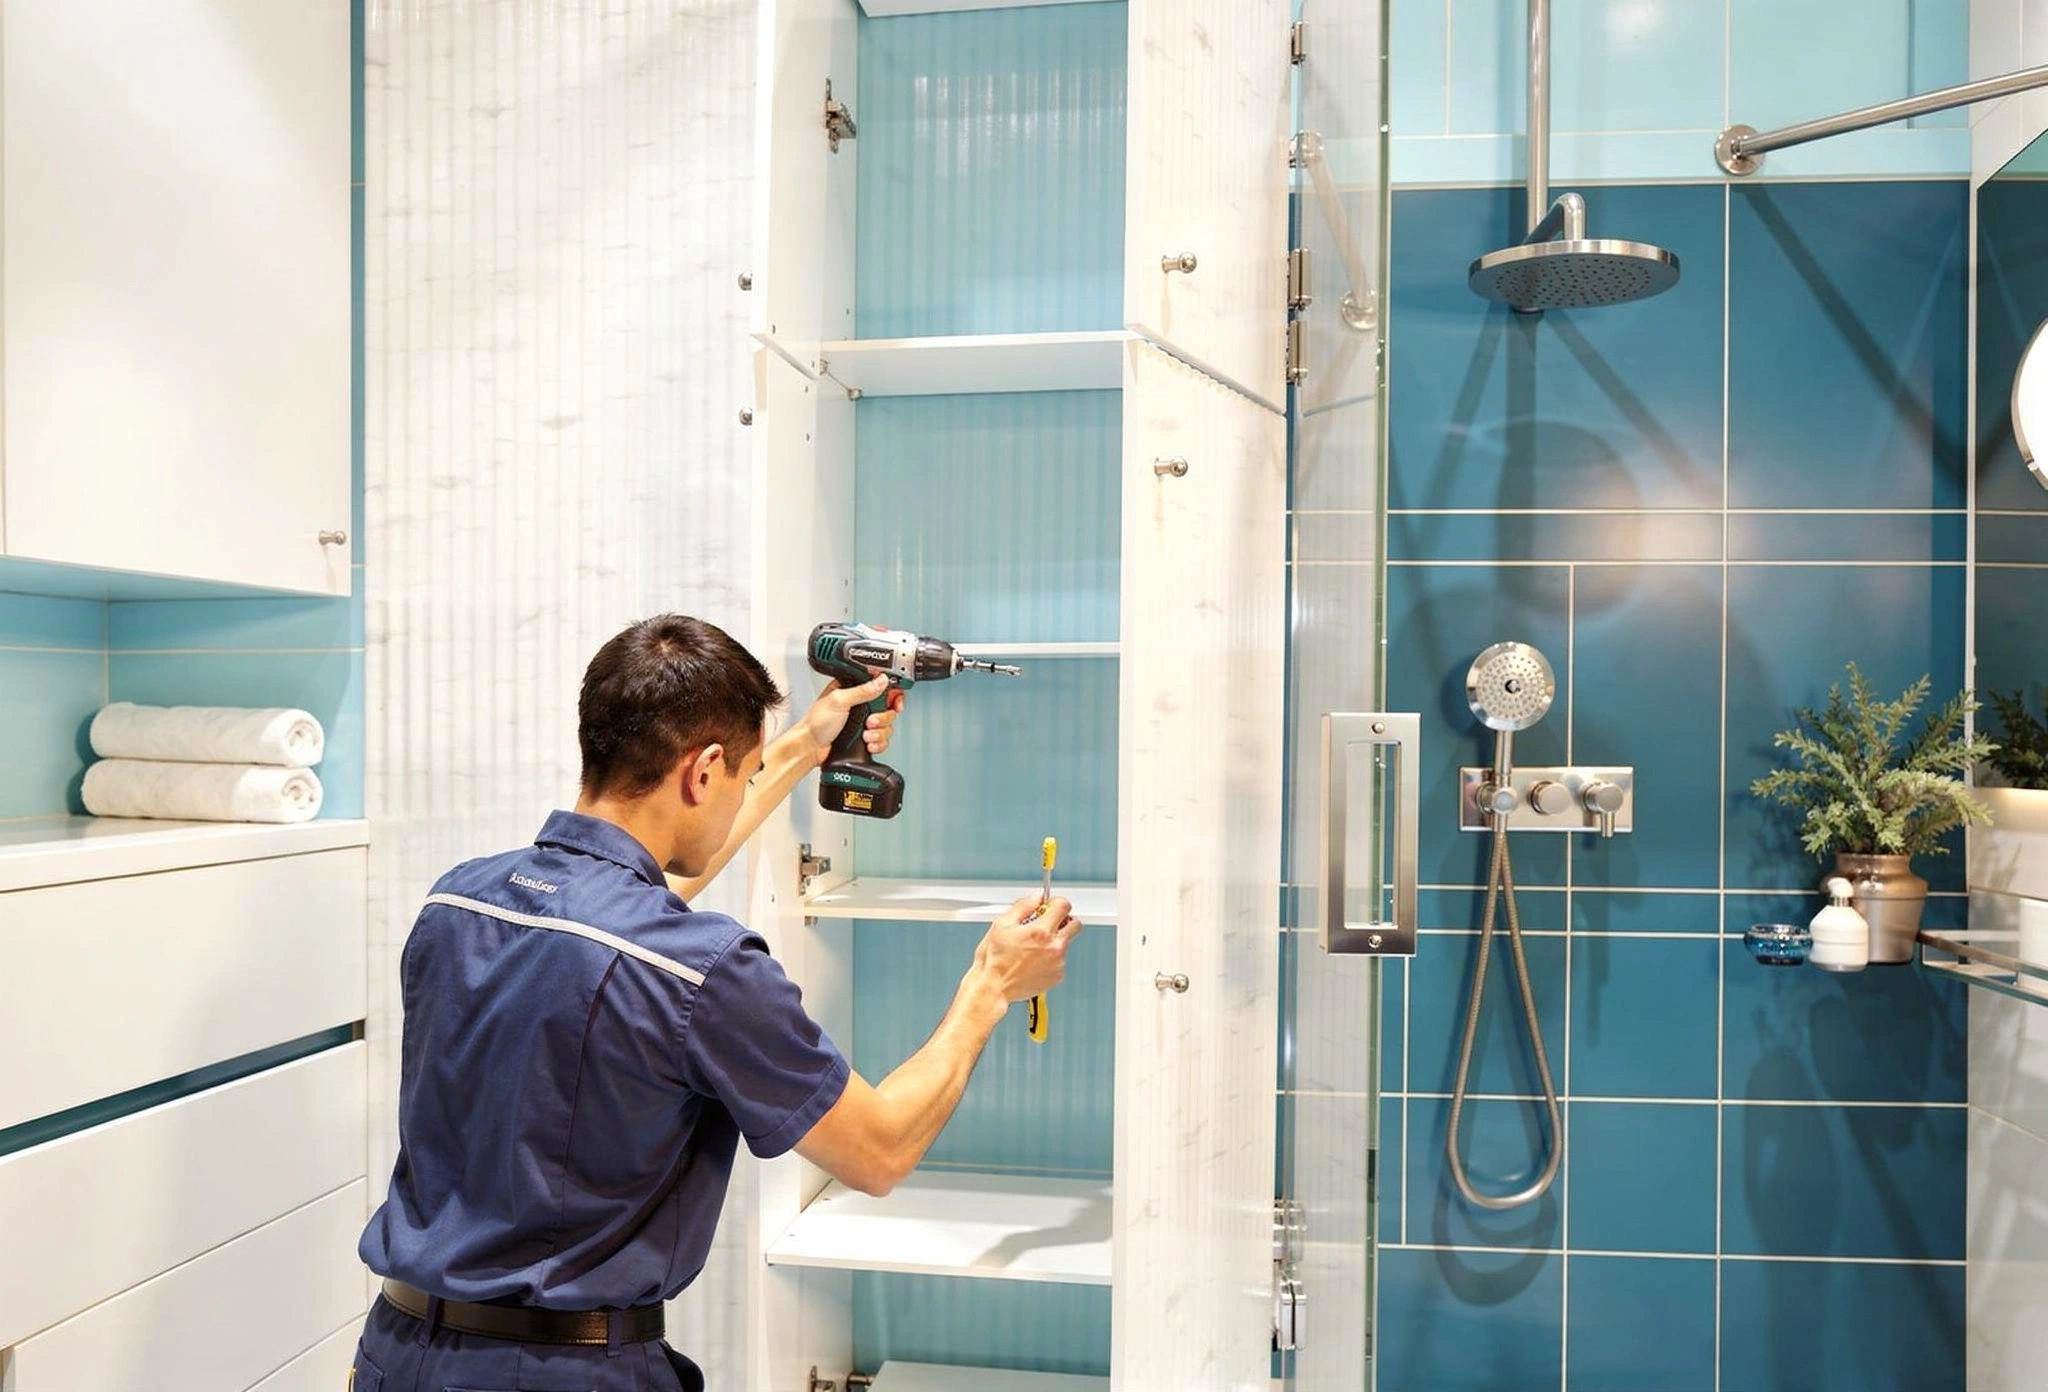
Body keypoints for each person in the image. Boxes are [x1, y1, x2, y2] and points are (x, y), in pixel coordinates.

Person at [350, 614, 1079, 1392]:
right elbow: (879, 1150)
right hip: (558, 1376)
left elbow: (625, 925)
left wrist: (799, 747)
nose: (738, 795)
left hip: (396, 1352)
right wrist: (992, 985)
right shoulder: (704, 972)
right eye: (741, 774)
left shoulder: (461, 901)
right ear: (702, 772)